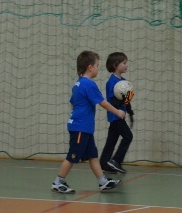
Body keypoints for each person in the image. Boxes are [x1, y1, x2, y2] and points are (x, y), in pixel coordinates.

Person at [51, 50, 125, 194]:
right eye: (97, 65)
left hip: (83, 127)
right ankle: (58, 182)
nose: (98, 68)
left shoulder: (78, 84)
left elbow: (73, 102)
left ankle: (103, 182)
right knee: (72, 156)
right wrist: (117, 112)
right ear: (90, 67)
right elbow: (102, 102)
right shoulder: (89, 84)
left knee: (92, 156)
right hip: (80, 127)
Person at [100, 52, 134, 174]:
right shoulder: (111, 82)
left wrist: (130, 111)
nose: (126, 65)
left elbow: (127, 99)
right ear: (115, 65)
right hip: (115, 116)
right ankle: (116, 161)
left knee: (111, 140)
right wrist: (121, 103)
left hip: (121, 116)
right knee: (128, 136)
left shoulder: (124, 82)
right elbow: (112, 101)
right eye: (124, 63)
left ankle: (104, 163)